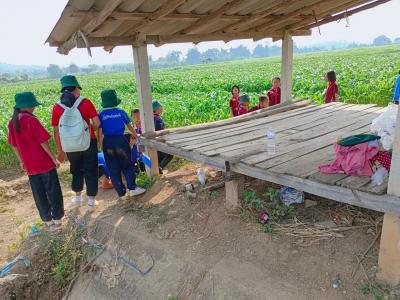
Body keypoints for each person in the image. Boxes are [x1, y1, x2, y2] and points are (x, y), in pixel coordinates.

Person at [8, 92, 64, 228]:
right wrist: (53, 158)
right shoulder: (31, 120)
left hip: (30, 166)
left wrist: (21, 161)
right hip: (44, 163)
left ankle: (47, 220)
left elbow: (14, 145)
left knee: (38, 193)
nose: (34, 108)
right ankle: (57, 219)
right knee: (53, 191)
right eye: (33, 105)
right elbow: (43, 142)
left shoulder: (12, 122)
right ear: (26, 106)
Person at [51, 75, 100, 207]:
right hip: (88, 141)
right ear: (76, 88)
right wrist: (89, 129)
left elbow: (56, 131)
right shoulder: (85, 102)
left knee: (76, 169)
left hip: (70, 145)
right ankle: (91, 199)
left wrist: (60, 150)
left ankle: (77, 197)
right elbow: (97, 123)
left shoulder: (57, 107)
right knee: (91, 169)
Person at [98, 89, 146, 199]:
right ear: (115, 101)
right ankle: (132, 188)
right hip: (121, 140)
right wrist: (136, 135)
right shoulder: (120, 112)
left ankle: (121, 193)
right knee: (127, 165)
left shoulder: (101, 114)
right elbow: (129, 126)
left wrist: (101, 146)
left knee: (113, 168)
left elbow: (99, 133)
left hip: (108, 142)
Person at [153, 100, 173, 174]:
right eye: (161, 107)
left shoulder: (152, 117)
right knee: (169, 155)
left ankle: (158, 170)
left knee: (159, 156)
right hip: (159, 140)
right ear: (157, 108)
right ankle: (159, 169)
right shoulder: (157, 119)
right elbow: (160, 130)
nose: (162, 108)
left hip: (154, 141)